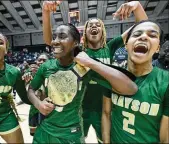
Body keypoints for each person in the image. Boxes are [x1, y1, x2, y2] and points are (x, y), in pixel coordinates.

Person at [42, 1, 148, 142]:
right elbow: (51, 42)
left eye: (98, 24)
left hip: (104, 108)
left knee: (104, 140)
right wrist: (46, 12)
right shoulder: (78, 52)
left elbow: (143, 26)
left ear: (102, 31)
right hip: (80, 108)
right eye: (90, 25)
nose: (94, 26)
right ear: (84, 33)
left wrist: (137, 6)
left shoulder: (110, 47)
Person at [102, 20, 169, 143]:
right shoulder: (112, 75)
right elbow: (106, 113)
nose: (143, 37)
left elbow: (165, 139)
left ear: (158, 48)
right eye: (137, 34)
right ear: (126, 45)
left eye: (152, 35)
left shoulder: (166, 82)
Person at [22, 53, 50, 136]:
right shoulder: (32, 70)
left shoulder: (52, 72)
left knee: (47, 134)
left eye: (44, 60)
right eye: (39, 60)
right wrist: (27, 79)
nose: (41, 62)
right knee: (33, 133)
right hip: (34, 109)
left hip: (48, 108)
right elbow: (26, 89)